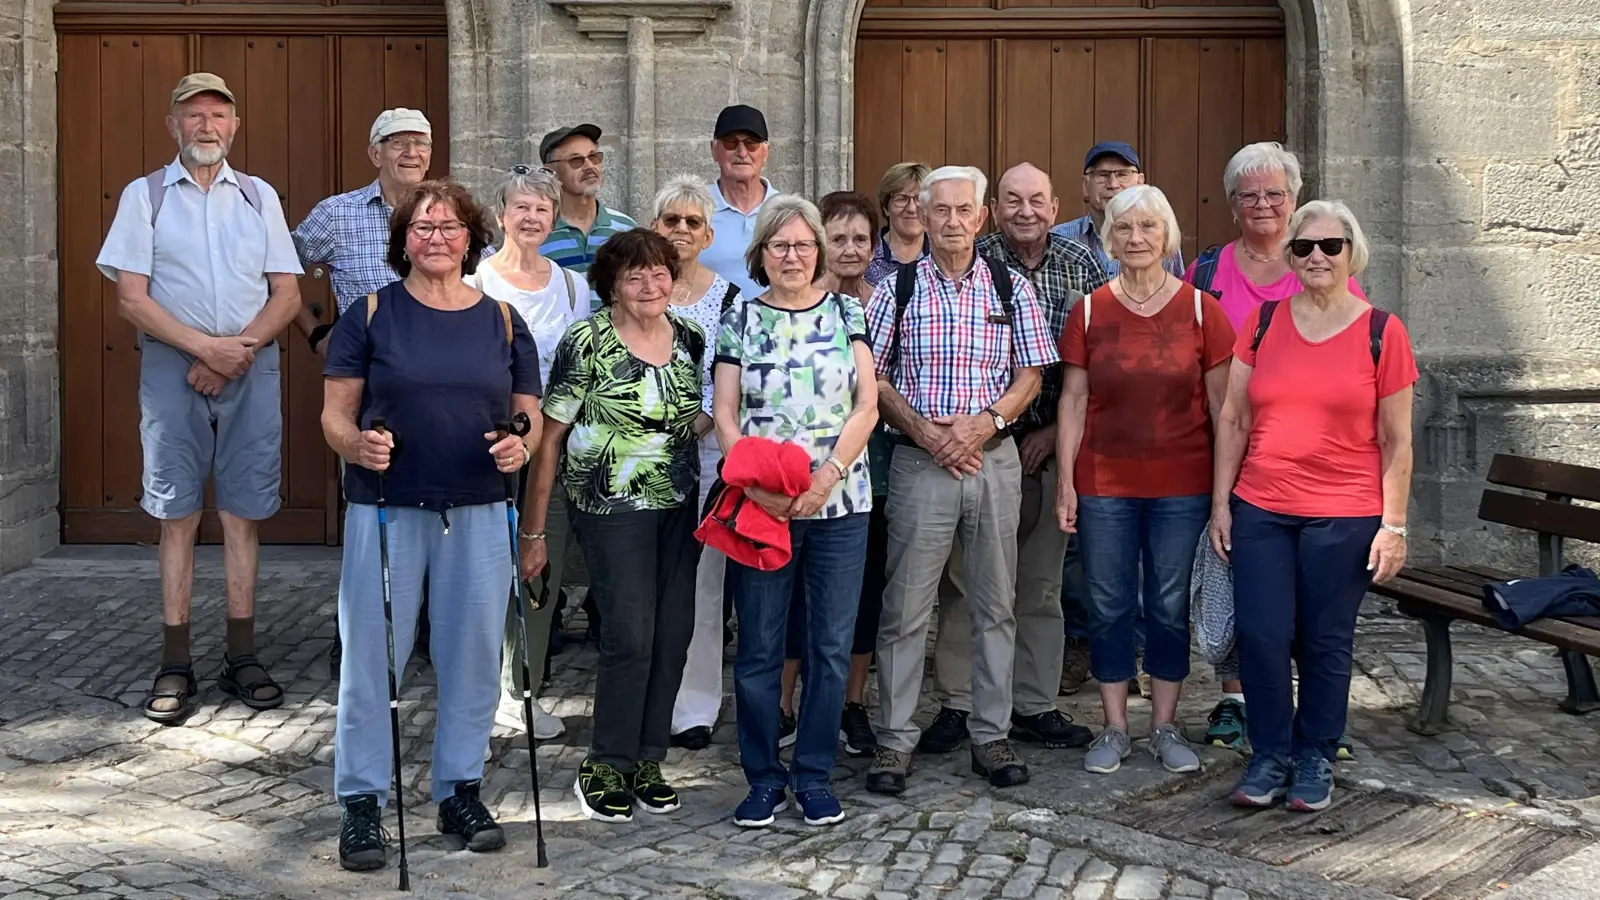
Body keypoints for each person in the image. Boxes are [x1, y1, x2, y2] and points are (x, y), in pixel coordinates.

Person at [322, 179, 541, 871]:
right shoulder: (371, 314)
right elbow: (334, 415)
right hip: (387, 507)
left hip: (479, 508)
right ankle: (362, 803)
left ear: (473, 238)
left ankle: (458, 789)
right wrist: (357, 446)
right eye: (422, 227)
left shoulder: (504, 320)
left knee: (473, 659)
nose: (437, 238)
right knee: (371, 658)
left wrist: (521, 444)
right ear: (402, 240)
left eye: (449, 227)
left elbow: (526, 413)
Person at [95, 72, 303, 726]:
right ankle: (175, 661)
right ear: (173, 126)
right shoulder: (144, 195)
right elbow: (131, 296)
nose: (206, 126)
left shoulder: (260, 196)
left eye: (218, 115)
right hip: (171, 371)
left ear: (234, 126)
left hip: (250, 367)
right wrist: (202, 349)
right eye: (193, 115)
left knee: (243, 513)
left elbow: (288, 295)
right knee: (177, 514)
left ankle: (242, 654)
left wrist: (233, 351)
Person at [1211, 200, 1415, 811]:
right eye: (1304, 248)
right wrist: (1221, 503)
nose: (1317, 257)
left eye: (1331, 246)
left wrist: (1394, 525)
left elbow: (1398, 439)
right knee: (1263, 634)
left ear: (1352, 252)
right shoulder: (1264, 323)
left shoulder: (1383, 330)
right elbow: (1234, 416)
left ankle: (1316, 755)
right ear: (1290, 257)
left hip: (1345, 510)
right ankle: (1270, 753)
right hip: (1262, 507)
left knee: (1325, 637)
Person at [864, 166, 1058, 795]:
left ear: (981, 218)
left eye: (962, 210)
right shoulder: (896, 289)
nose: (950, 221)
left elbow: (1031, 373)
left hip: (993, 458)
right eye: (938, 210)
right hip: (921, 461)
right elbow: (877, 377)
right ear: (921, 214)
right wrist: (926, 432)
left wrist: (986, 424)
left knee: (994, 602)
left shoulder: (1010, 286)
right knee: (906, 606)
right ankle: (894, 741)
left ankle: (989, 733)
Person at [1185, 142, 1370, 753]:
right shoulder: (1207, 273)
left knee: (1309, 611)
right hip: (1230, 457)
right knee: (1244, 596)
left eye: (1275, 194)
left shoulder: (1323, 269)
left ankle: (1309, 721)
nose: (1262, 204)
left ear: (1294, 201)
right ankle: (1239, 700)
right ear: (1233, 205)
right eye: (1249, 195)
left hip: (1320, 475)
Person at [922, 163, 1107, 755]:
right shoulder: (982, 260)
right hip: (981, 451)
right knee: (964, 584)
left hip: (1055, 445)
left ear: (1057, 207)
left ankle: (1034, 703)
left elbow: (1098, 364)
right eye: (1012, 201)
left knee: (1041, 584)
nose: (1025, 211)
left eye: (1037, 200)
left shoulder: (1082, 266)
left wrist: (1052, 433)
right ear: (992, 211)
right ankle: (958, 703)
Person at [524, 229, 706, 824]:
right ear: (613, 285)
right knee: (630, 635)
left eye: (659, 273)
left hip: (679, 505)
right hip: (609, 508)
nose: (650, 285)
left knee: (674, 632)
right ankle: (605, 762)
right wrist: (535, 531)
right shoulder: (588, 341)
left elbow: (692, 418)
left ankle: (647, 758)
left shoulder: (691, 339)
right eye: (635, 276)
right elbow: (550, 436)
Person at [1055, 185, 1234, 776]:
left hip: (1182, 483)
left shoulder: (1203, 310)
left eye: (1148, 228)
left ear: (1168, 237)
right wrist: (1065, 482)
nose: (1136, 238)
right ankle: (1113, 727)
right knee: (1106, 603)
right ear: (1109, 238)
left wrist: (1221, 495)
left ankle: (1163, 725)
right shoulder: (1088, 310)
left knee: (1167, 603)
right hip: (1104, 482)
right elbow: (1073, 401)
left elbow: (1222, 410)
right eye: (1124, 229)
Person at [715, 195, 878, 828]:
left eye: (803, 246)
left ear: (819, 252)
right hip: (762, 504)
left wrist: (829, 474)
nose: (792, 256)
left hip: (840, 503)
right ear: (761, 254)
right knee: (758, 646)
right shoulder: (741, 317)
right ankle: (761, 776)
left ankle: (813, 775)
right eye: (779, 246)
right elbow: (726, 412)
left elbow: (865, 405)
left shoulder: (847, 310)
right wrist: (753, 485)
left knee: (831, 647)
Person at [293, 107, 459, 671]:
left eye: (421, 143)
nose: (412, 153)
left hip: (442, 384)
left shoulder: (449, 213)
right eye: (398, 143)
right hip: (368, 389)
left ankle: (434, 629)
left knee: (440, 500)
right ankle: (362, 629)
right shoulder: (336, 215)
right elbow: (281, 269)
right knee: (371, 504)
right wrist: (316, 329)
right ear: (374, 153)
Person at [464, 165, 593, 743]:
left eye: (543, 209)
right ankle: (479, 696)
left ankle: (522, 690)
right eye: (522, 208)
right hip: (490, 447)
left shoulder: (572, 286)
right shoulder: (478, 282)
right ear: (500, 216)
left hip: (553, 449)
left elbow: (581, 366)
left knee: (540, 568)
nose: (533, 218)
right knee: (486, 573)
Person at [771, 191, 885, 757]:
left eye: (859, 238)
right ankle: (782, 710)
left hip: (861, 476)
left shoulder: (872, 305)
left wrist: (833, 471)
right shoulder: (755, 312)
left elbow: (875, 395)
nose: (848, 249)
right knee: (786, 613)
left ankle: (844, 713)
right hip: (784, 487)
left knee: (851, 609)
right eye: (836, 238)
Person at [650, 174, 740, 751]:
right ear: (653, 228)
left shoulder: (729, 298)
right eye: (669, 221)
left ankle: (695, 707)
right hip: (639, 459)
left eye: (691, 223)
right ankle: (648, 698)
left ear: (708, 235)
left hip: (705, 455)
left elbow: (730, 373)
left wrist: (701, 422)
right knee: (646, 584)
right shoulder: (637, 289)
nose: (680, 231)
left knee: (704, 586)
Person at [1052, 142, 1184, 278]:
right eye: (1102, 175)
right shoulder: (1057, 240)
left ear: (1140, 182)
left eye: (1123, 174)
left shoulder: (1160, 241)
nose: (1113, 184)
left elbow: (1177, 294)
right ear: (1085, 186)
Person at [701, 105, 778, 299]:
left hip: (772, 326)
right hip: (708, 327)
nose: (742, 152)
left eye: (751, 143)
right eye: (730, 142)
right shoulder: (694, 210)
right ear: (714, 149)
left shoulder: (786, 211)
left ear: (766, 151)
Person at [538, 124, 637, 274]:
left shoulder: (627, 229)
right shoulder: (537, 233)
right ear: (550, 172)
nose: (589, 166)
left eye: (593, 157)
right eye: (576, 160)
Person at [864, 162, 932, 285]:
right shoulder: (866, 253)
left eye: (919, 199)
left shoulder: (941, 255)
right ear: (886, 208)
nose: (911, 208)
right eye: (901, 198)